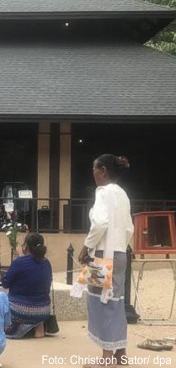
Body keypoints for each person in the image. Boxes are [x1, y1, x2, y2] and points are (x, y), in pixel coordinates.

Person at [77, 154, 133, 367]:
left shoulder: (102, 192)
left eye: (94, 170)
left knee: (103, 303)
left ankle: (107, 360)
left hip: (102, 253)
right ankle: (120, 355)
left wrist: (86, 246)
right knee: (116, 301)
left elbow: (100, 223)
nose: (93, 174)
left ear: (103, 170)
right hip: (119, 252)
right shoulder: (123, 194)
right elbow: (129, 228)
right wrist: (119, 244)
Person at [1, 233, 52, 339]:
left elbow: (5, 283)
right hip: (44, 310)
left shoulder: (19, 262)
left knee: (0, 302)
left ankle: (20, 326)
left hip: (21, 311)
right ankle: (38, 325)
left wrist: (14, 264)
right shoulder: (46, 262)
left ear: (26, 246)